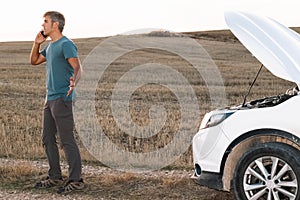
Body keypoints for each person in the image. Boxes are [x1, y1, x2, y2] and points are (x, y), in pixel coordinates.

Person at [30, 11, 84, 194]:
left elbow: (78, 67)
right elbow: (34, 61)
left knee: (67, 139)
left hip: (62, 97)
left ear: (55, 25)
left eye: (45, 22)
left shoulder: (66, 44)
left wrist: (73, 81)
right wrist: (36, 44)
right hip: (50, 98)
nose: (42, 25)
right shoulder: (51, 46)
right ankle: (54, 176)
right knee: (47, 138)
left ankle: (76, 180)